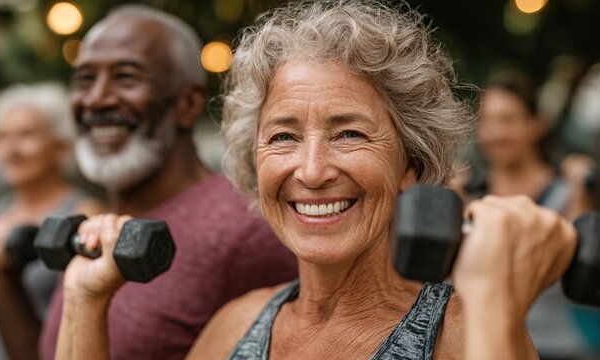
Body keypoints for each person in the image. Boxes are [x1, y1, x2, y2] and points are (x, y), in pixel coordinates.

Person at [54, 1, 581, 359]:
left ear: (409, 165)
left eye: (349, 133)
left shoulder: (467, 332)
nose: (311, 170)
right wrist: (84, 299)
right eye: (283, 137)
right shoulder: (234, 326)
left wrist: (494, 300)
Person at [0, 5, 297, 360]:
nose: (97, 99)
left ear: (188, 104)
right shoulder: (99, 229)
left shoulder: (244, 230)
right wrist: (0, 279)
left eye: (126, 78)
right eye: (85, 79)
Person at [0, 83, 103, 359]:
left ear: (60, 146)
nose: (11, 149)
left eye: (26, 135)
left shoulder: (85, 215)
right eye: (1, 137)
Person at [461, 74, 600, 358]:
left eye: (508, 120)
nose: (495, 133)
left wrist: (580, 194)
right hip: (483, 345)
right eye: (487, 121)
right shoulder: (470, 197)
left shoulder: (567, 192)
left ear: (537, 124)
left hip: (556, 346)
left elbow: (572, 271)